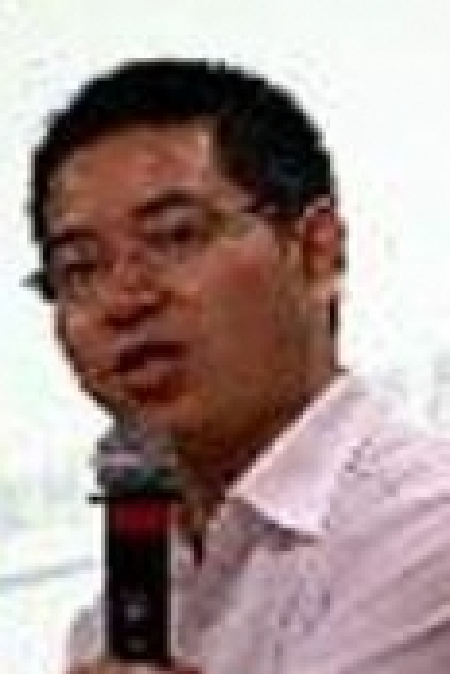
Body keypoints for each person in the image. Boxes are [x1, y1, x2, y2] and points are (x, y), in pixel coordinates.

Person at [25, 59, 450, 673]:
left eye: (176, 236)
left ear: (317, 252)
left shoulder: (425, 531)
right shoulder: (121, 617)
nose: (125, 299)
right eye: (80, 269)